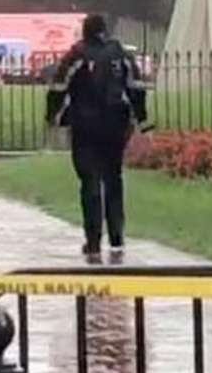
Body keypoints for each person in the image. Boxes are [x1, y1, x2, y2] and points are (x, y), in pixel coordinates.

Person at [45, 14, 150, 265]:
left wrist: (51, 117)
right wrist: (144, 122)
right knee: (113, 179)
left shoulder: (77, 55)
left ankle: (93, 241)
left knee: (90, 183)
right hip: (116, 125)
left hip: (85, 127)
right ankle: (117, 237)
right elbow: (135, 88)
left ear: (85, 31)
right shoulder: (120, 54)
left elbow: (58, 88)